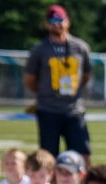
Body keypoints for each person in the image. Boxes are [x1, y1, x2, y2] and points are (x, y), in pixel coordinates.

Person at [25, 5, 93, 164]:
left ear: (68, 22)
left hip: (73, 109)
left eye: (61, 20)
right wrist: (44, 93)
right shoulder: (39, 49)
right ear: (47, 24)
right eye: (53, 20)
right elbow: (29, 79)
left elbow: (86, 75)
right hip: (48, 110)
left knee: (83, 154)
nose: (58, 24)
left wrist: (74, 91)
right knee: (48, 158)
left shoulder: (80, 47)